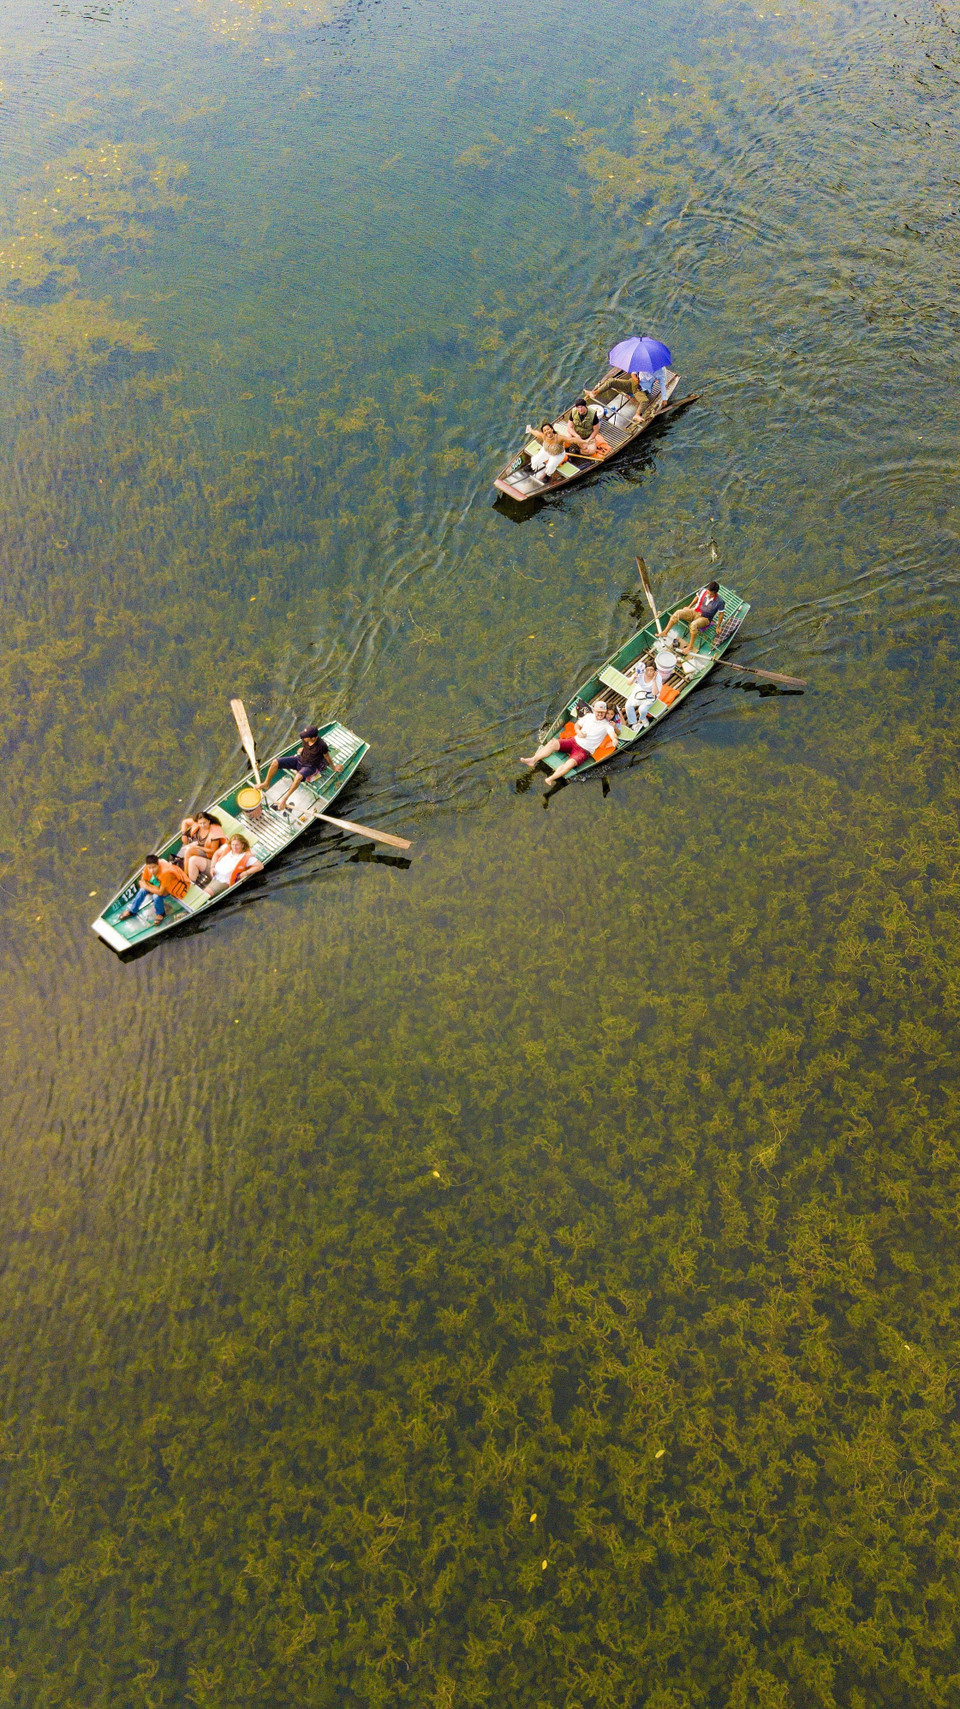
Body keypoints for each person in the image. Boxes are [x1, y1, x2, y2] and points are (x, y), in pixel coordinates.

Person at [520, 698, 619, 788]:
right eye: (598, 712)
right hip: (573, 741)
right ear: (594, 710)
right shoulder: (588, 716)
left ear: (605, 712)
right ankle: (533, 759)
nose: (600, 714)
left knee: (569, 764)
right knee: (552, 743)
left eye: (602, 712)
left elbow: (613, 734)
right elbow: (576, 725)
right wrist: (578, 732)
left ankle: (551, 778)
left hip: (583, 751)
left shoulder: (607, 725)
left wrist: (614, 740)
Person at [261, 725, 342, 812]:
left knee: (298, 777)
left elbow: (327, 756)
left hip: (310, 766)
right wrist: (303, 750)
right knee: (275, 762)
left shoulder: (322, 745)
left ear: (313, 738)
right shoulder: (305, 739)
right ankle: (266, 783)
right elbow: (306, 747)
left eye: (306, 737)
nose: (303, 738)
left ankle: (285, 798)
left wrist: (333, 767)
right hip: (299, 760)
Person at [118, 853, 190, 925]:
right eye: (150, 868)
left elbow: (161, 892)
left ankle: (160, 913)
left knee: (156, 896)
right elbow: (143, 882)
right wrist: (150, 887)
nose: (151, 870)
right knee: (142, 891)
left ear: (158, 864)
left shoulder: (166, 873)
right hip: (158, 886)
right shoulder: (147, 867)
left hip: (169, 888)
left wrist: (148, 887)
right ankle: (132, 910)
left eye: (154, 867)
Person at [666, 581, 726, 655]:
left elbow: (721, 614)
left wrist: (718, 627)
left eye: (711, 594)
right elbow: (696, 598)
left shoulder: (720, 602)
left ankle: (690, 646)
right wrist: (689, 607)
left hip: (705, 618)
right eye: (708, 592)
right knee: (678, 612)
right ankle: (665, 632)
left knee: (693, 625)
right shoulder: (703, 591)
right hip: (695, 611)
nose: (709, 594)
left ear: (715, 593)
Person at [203, 833, 264, 898]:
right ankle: (194, 884)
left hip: (223, 880)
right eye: (233, 845)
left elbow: (260, 866)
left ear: (242, 845)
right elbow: (216, 854)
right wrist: (212, 867)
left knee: (205, 893)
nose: (234, 847)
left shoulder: (246, 856)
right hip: (214, 871)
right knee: (194, 860)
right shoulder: (227, 848)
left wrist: (245, 873)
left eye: (237, 845)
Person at [181, 812, 228, 886]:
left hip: (208, 853)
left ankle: (185, 877)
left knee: (188, 852)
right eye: (200, 823)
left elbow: (213, 851)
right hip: (197, 845)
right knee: (187, 851)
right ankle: (185, 873)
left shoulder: (215, 832)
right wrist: (183, 834)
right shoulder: (198, 823)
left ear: (209, 821)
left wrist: (197, 847)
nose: (202, 825)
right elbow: (185, 822)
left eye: (204, 823)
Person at [623, 655, 666, 728]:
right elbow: (628, 683)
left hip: (651, 695)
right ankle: (634, 723)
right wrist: (634, 677)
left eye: (651, 670)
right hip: (640, 691)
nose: (649, 672)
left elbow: (655, 693)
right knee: (628, 705)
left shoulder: (658, 678)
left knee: (642, 709)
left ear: (655, 671)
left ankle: (642, 718)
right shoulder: (641, 673)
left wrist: (654, 680)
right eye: (647, 670)